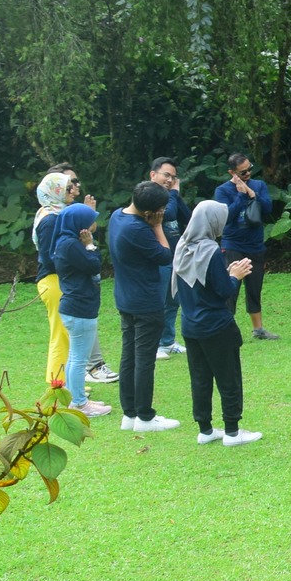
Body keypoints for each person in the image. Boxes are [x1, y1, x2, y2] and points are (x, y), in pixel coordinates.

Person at [170, 200, 261, 446]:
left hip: (190, 326)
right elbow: (223, 291)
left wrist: (227, 272)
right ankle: (232, 431)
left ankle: (205, 430)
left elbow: (199, 284)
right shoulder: (209, 250)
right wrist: (236, 276)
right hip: (216, 326)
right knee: (228, 377)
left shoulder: (182, 246)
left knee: (200, 377)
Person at [109, 181, 179, 433]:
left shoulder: (117, 216)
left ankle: (129, 414)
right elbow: (164, 255)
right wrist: (158, 227)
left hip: (125, 298)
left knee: (129, 356)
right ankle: (145, 417)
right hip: (145, 302)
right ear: (151, 212)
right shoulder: (138, 229)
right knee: (145, 360)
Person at [48, 202, 113, 418]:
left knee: (76, 357)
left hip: (75, 306)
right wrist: (91, 245)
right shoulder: (71, 245)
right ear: (80, 225)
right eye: (89, 221)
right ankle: (79, 404)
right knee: (79, 359)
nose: (94, 224)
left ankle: (76, 398)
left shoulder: (65, 242)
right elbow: (94, 265)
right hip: (79, 307)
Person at [215, 152, 279, 341]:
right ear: (232, 172)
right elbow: (226, 215)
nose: (248, 174)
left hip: (255, 245)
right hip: (233, 244)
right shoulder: (223, 191)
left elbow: (267, 208)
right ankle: (226, 327)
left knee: (254, 286)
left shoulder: (258, 185)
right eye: (243, 172)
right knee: (231, 287)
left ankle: (258, 329)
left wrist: (253, 194)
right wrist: (242, 197)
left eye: (250, 169)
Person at [31, 169, 76, 390]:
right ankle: (59, 384)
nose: (73, 191)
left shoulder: (57, 214)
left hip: (58, 279)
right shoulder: (49, 219)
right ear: (55, 191)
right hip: (53, 280)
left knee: (65, 332)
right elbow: (49, 257)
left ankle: (67, 380)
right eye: (67, 188)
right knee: (60, 333)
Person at [149, 158, 189, 361]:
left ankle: (168, 341)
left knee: (173, 300)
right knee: (158, 301)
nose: (170, 180)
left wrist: (176, 194)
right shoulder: (148, 196)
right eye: (166, 175)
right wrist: (174, 192)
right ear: (153, 175)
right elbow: (169, 213)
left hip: (176, 256)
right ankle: (154, 344)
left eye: (173, 177)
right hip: (159, 258)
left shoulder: (170, 196)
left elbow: (186, 217)